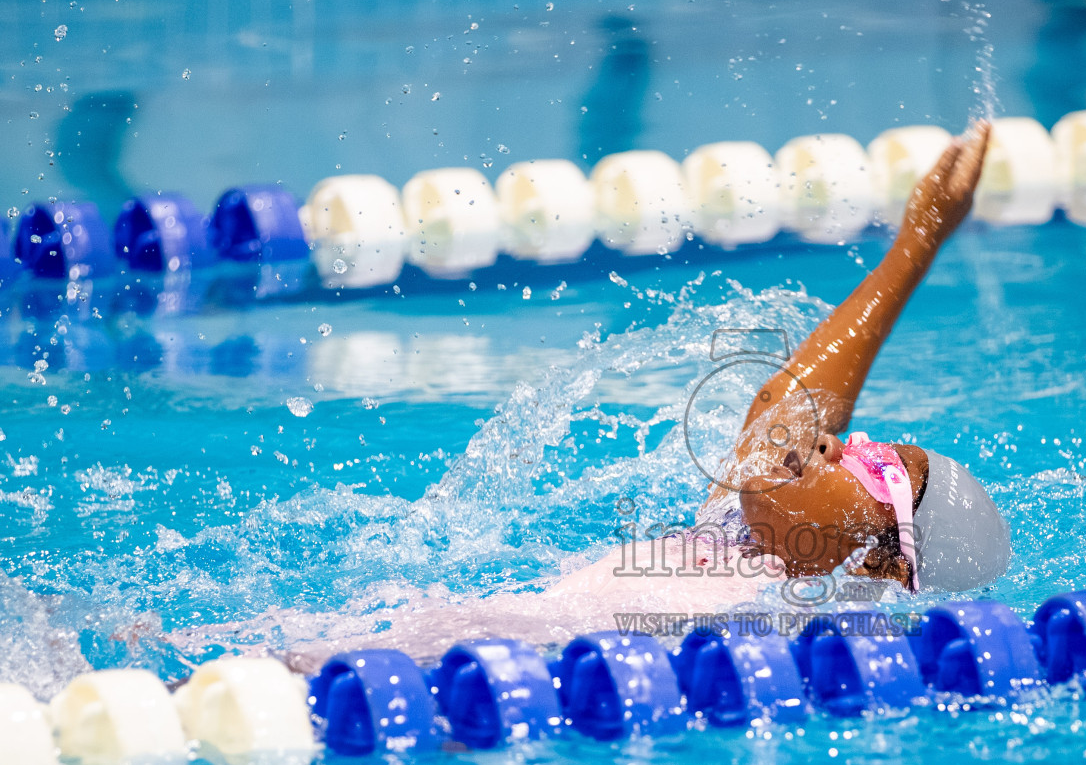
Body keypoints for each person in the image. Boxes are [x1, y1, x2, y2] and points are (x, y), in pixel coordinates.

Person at [179, 121, 1010, 672]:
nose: (838, 442)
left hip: (453, 680)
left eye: (877, 467)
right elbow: (780, 413)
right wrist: (919, 239)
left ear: (883, 563)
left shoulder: (781, 622)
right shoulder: (739, 538)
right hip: (391, 637)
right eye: (858, 440)